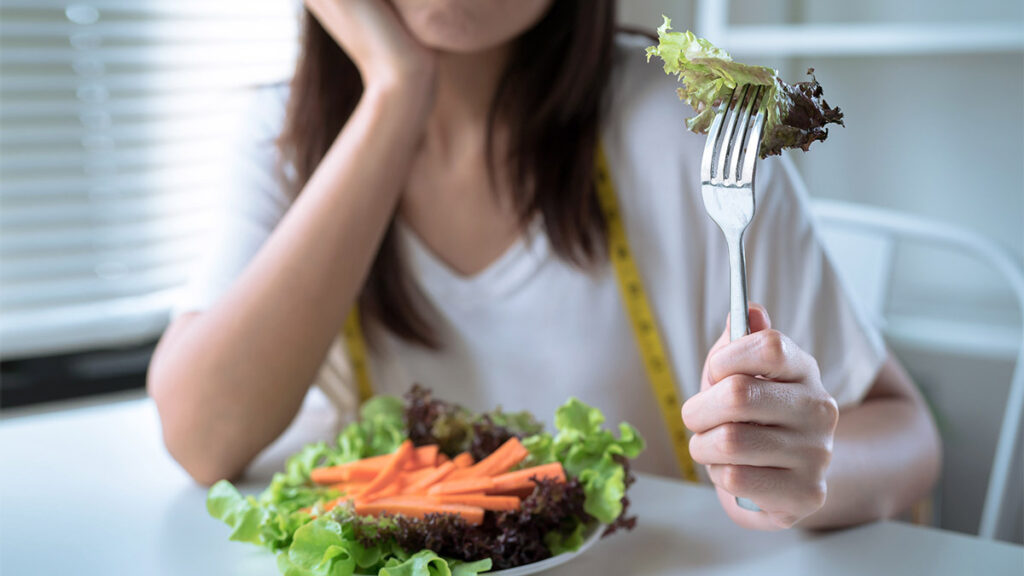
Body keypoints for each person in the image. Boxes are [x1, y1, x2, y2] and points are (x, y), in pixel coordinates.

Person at [148, 0, 941, 531]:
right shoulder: (279, 145)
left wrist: (802, 474)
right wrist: (395, 91)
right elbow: (200, 439)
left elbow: (906, 433)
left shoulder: (684, 129)